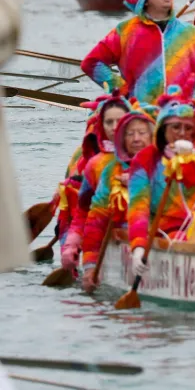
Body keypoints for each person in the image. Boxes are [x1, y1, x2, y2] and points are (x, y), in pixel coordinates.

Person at [126, 87, 195, 278]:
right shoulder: (145, 159)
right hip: (167, 231)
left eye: (188, 128)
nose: (182, 133)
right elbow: (138, 207)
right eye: (176, 127)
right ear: (163, 129)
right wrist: (138, 247)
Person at [78, 106, 155, 291]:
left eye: (142, 133)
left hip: (162, 235)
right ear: (122, 140)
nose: (136, 139)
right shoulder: (110, 171)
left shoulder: (166, 164)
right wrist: (89, 266)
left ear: (152, 136)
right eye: (130, 134)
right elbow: (95, 220)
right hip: (124, 234)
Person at [59, 95, 131, 272]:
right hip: (105, 234)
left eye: (120, 121)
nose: (115, 128)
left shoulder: (151, 156)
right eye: (109, 122)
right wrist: (72, 243)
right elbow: (83, 211)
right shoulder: (95, 164)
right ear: (102, 126)